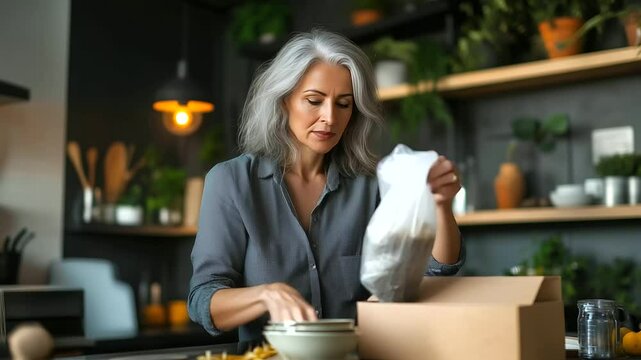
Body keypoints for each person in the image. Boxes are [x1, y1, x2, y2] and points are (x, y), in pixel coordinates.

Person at [188, 29, 464, 342]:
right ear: (283, 101)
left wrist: (441, 205)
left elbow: (435, 270)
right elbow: (203, 300)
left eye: (344, 104)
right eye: (314, 101)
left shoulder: (370, 186)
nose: (330, 118)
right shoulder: (232, 182)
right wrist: (265, 295)